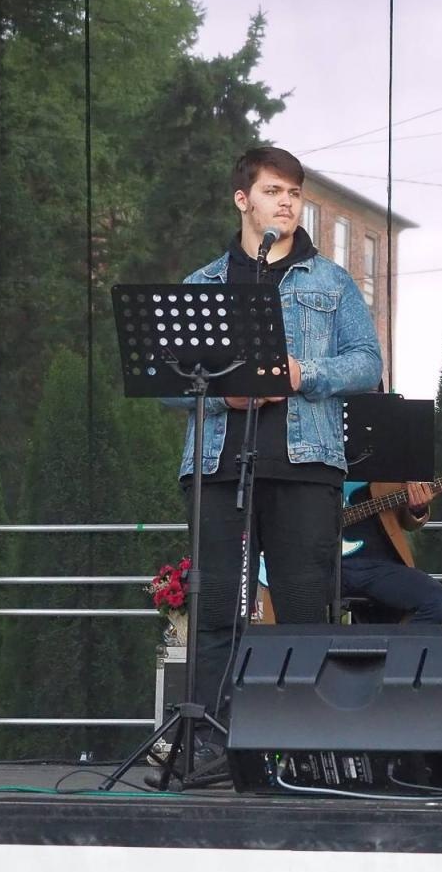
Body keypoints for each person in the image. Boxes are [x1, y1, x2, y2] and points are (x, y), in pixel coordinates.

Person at [163, 146, 381, 779]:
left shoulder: (331, 281)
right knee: (214, 610)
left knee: (306, 608)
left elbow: (368, 364)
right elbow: (168, 380)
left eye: (293, 192)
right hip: (219, 467)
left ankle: (309, 748)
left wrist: (303, 373)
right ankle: (210, 747)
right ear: (243, 200)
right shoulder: (204, 285)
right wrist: (217, 390)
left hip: (305, 466)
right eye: (272, 191)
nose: (287, 202)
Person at [339, 479, 442, 624]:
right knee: (309, 603)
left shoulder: (392, 469)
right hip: (324, 563)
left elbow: (407, 522)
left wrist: (417, 508)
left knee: (439, 601)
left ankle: (400, 640)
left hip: (381, 566)